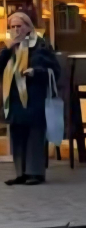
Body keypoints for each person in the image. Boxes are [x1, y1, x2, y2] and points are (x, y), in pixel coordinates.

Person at [1, 11, 59, 186]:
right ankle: (21, 173)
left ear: (28, 27)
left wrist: (36, 72)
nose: (16, 30)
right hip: (14, 99)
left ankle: (35, 173)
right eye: (12, 27)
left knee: (34, 134)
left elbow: (54, 70)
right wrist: (8, 50)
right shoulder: (10, 48)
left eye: (19, 26)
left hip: (34, 97)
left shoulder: (40, 45)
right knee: (17, 135)